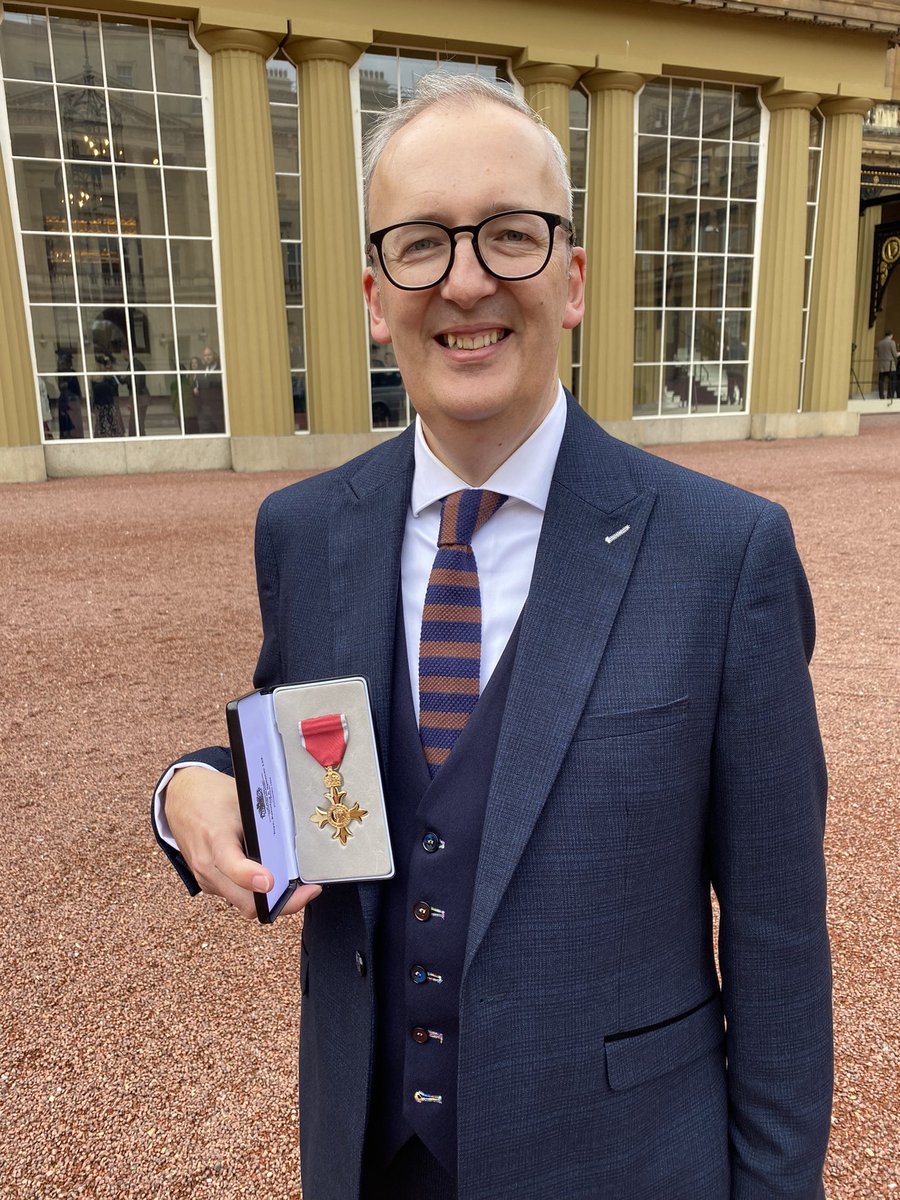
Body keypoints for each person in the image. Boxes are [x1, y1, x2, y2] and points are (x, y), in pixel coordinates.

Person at [153, 75, 832, 1200]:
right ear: (377, 296)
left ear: (570, 279)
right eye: (423, 244)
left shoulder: (727, 556)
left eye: (508, 236)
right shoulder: (307, 533)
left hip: (619, 1168)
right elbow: (312, 766)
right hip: (372, 1162)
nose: (466, 280)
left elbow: (778, 949)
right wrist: (189, 787)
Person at [192, 345, 225, 433]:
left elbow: (215, 382)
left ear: (214, 355)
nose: (207, 357)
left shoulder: (220, 369)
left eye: (209, 355)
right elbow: (196, 382)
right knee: (205, 432)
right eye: (205, 355)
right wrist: (195, 387)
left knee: (220, 430)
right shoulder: (201, 369)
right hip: (203, 408)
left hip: (217, 408)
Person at [875, 329, 897, 400]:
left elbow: (878, 354)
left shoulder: (879, 343)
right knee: (892, 380)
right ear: (891, 335)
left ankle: (881, 396)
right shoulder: (892, 342)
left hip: (881, 365)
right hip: (890, 365)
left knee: (881, 381)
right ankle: (889, 396)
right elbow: (895, 355)